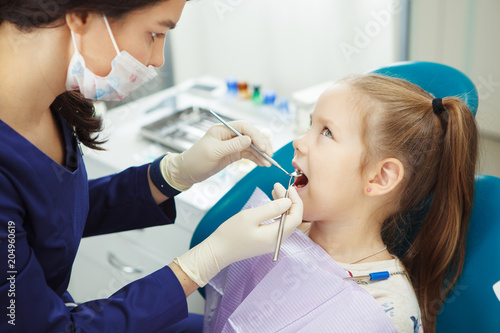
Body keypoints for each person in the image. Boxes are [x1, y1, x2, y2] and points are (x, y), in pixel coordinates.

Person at [0, 1, 303, 332]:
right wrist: (203, 262)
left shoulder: (44, 95)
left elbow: (50, 216)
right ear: (83, 16)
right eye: (155, 33)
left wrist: (173, 174)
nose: (158, 59)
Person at [204, 73, 478, 333]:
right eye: (310, 125)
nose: (298, 142)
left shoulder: (385, 310)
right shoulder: (276, 234)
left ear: (380, 177)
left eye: (326, 133)